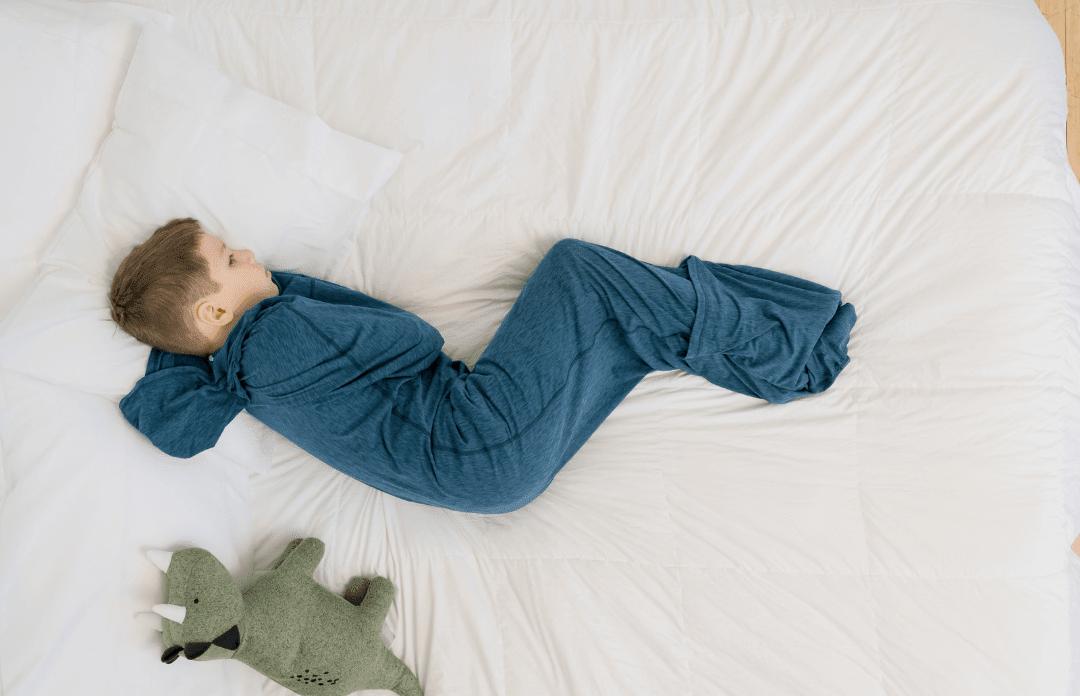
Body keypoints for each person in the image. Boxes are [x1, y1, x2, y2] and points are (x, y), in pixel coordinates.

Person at [112, 217, 857, 514]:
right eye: (229, 260)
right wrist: (286, 289)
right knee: (577, 270)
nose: (250, 253)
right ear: (213, 314)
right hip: (479, 438)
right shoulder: (278, 334)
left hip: (485, 477)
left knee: (623, 320)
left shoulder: (238, 374)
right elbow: (413, 338)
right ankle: (780, 350)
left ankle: (772, 343)